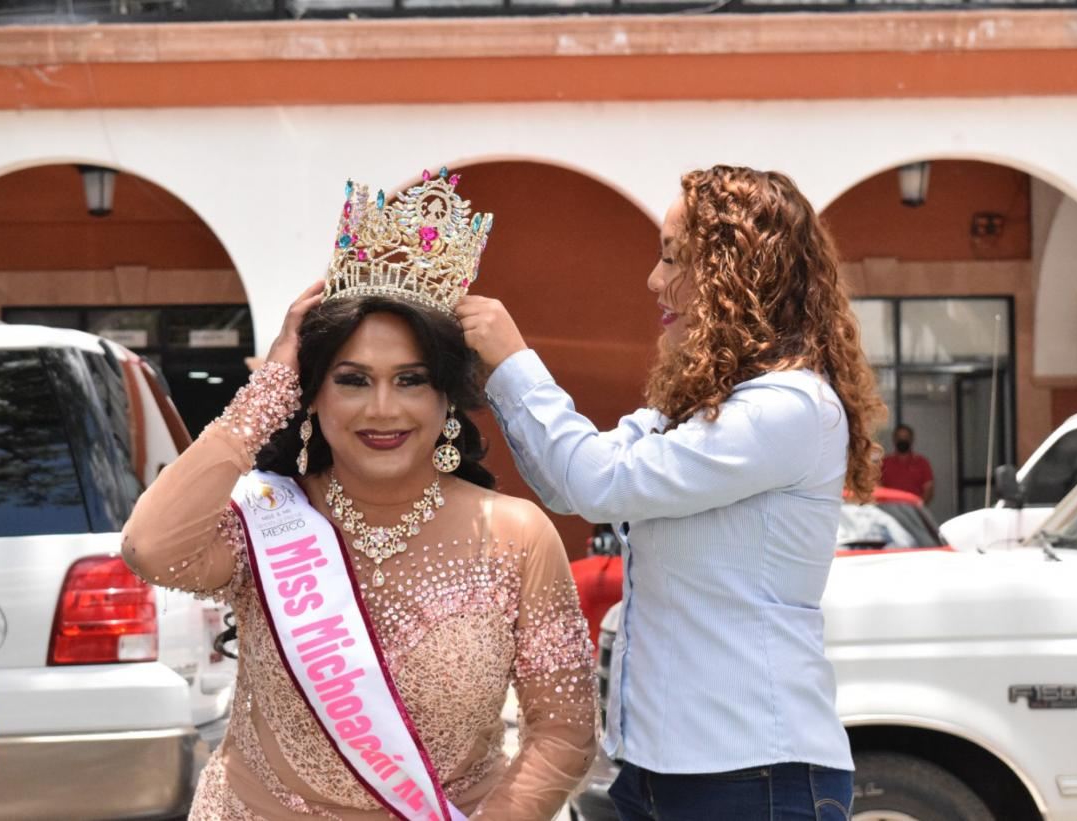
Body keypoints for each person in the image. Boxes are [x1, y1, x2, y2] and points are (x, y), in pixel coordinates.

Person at [122, 170, 596, 820]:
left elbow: (563, 730)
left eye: (410, 379)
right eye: (351, 379)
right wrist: (270, 388)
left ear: (446, 399)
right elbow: (149, 547)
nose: (382, 408)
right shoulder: (266, 519)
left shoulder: (515, 534)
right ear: (312, 396)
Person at [457, 165, 886, 820]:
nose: (655, 280)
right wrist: (498, 376)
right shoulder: (703, 406)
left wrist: (515, 361)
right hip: (663, 768)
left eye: (673, 258)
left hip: (750, 772)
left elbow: (596, 482)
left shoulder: (786, 407)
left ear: (736, 272)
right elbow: (570, 479)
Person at [880, 423, 935, 504]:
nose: (902, 440)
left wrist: (919, 507)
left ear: (911, 439)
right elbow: (878, 487)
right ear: (894, 439)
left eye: (906, 437)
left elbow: (929, 488)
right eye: (899, 437)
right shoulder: (884, 463)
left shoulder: (922, 463)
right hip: (890, 511)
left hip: (913, 511)